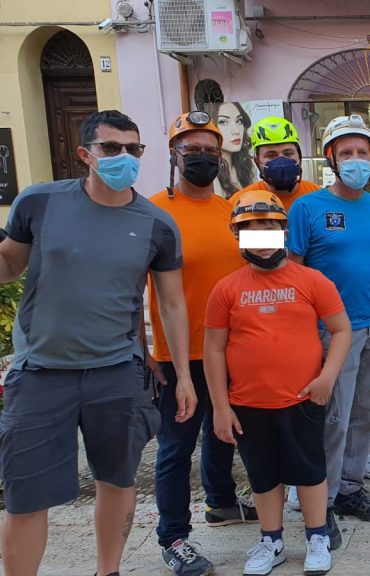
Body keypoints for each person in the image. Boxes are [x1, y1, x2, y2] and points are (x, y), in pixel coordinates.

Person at [0, 110, 196, 576]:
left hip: (117, 373)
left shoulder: (157, 224)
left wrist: (184, 377)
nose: (124, 157)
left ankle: (108, 571)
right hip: (40, 372)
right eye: (111, 148)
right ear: (85, 154)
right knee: (26, 496)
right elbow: (9, 265)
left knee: (118, 480)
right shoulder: (39, 203)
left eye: (133, 149)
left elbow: (172, 305)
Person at [206, 189, 352, 575]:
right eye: (251, 229)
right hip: (248, 403)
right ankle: (271, 540)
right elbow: (214, 350)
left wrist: (327, 377)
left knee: (310, 471)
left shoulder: (312, 280)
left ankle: (317, 535)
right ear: (237, 236)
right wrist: (220, 406)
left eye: (269, 227)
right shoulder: (226, 289)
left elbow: (341, 330)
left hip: (302, 399)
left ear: (283, 231)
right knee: (263, 475)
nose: (262, 236)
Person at [150, 111, 255, 576]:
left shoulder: (232, 209)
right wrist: (144, 349)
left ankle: (222, 502)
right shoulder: (153, 212)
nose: (202, 158)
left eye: (210, 151)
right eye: (191, 149)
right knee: (176, 448)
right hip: (177, 357)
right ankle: (174, 537)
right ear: (174, 154)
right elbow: (130, 286)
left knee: (223, 432)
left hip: (230, 350)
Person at [286, 114, 370, 526]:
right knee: (333, 417)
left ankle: (350, 487)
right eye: (346, 152)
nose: (355, 159)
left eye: (362, 152)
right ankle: (323, 500)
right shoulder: (307, 208)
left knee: (364, 412)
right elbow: (293, 270)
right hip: (332, 331)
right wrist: (300, 330)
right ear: (331, 158)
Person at [237, 115, 319, 212]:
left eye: (288, 153)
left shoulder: (319, 197)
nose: (281, 161)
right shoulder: (240, 203)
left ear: (299, 156)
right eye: (271, 155)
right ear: (257, 161)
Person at [206, 101, 258, 198]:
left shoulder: (248, 165)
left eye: (239, 121)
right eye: (223, 122)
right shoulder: (210, 172)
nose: (236, 131)